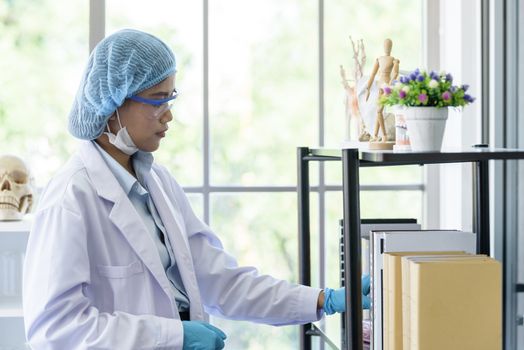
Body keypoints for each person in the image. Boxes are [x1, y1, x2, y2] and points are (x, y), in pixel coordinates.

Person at [22, 29, 370, 350]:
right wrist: (173, 336)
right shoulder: (71, 197)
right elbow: (54, 329)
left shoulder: (158, 183)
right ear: (114, 104)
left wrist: (325, 299)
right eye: (157, 101)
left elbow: (220, 281)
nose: (168, 115)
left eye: (170, 99)